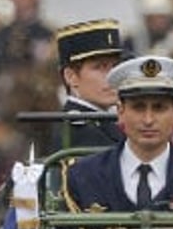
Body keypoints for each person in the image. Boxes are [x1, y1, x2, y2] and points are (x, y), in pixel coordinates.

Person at [62, 55, 173, 218]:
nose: (148, 120)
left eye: (159, 108)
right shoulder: (83, 175)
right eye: (138, 108)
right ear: (121, 112)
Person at [54, 19, 127, 148]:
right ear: (71, 77)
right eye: (100, 67)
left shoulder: (104, 123)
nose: (112, 76)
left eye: (116, 66)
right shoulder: (78, 131)